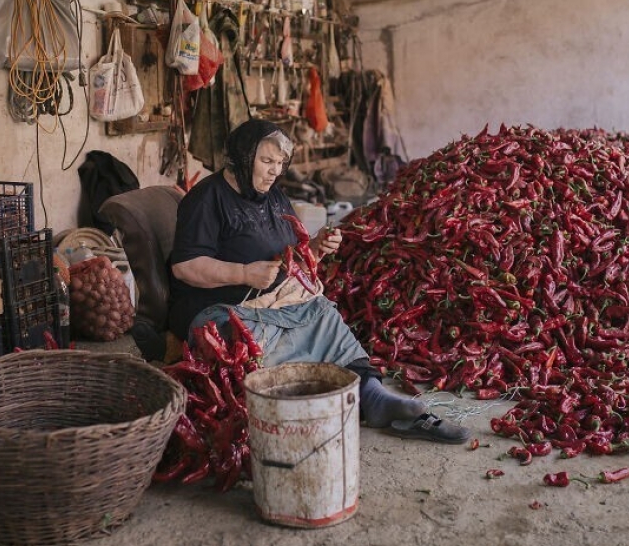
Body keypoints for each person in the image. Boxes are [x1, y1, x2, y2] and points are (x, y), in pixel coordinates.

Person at [167, 118, 469, 443]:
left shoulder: (274, 197)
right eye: (266, 161)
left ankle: (375, 397)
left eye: (280, 163)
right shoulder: (207, 200)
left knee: (323, 316)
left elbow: (292, 256)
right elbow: (185, 267)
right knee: (255, 348)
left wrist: (315, 247)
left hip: (279, 301)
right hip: (223, 310)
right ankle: (318, 405)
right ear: (242, 157)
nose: (274, 171)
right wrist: (243, 273)